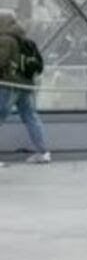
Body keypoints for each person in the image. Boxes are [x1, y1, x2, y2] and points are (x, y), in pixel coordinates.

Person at [0, 9, 51, 165]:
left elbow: (1, 61)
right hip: (26, 86)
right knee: (31, 117)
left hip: (8, 85)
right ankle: (43, 152)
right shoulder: (24, 39)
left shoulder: (5, 39)